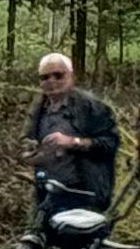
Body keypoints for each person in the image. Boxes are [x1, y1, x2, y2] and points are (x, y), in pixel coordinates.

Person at [28, 51, 116, 228]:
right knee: (38, 239)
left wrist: (73, 142)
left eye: (58, 75)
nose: (51, 81)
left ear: (71, 76)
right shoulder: (38, 109)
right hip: (47, 194)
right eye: (45, 77)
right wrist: (31, 153)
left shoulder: (93, 107)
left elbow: (110, 144)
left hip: (84, 194)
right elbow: (26, 141)